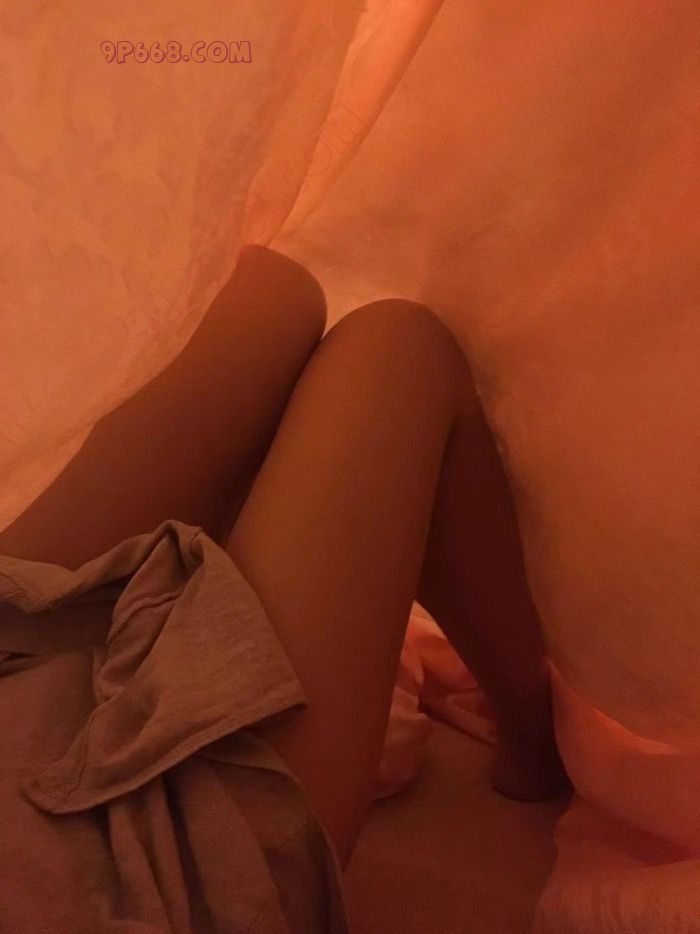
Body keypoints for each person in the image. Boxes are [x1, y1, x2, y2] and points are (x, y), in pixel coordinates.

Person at [0, 245, 566, 929]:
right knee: (398, 352)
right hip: (111, 856)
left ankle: (241, 576)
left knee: (267, 292)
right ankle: (533, 730)